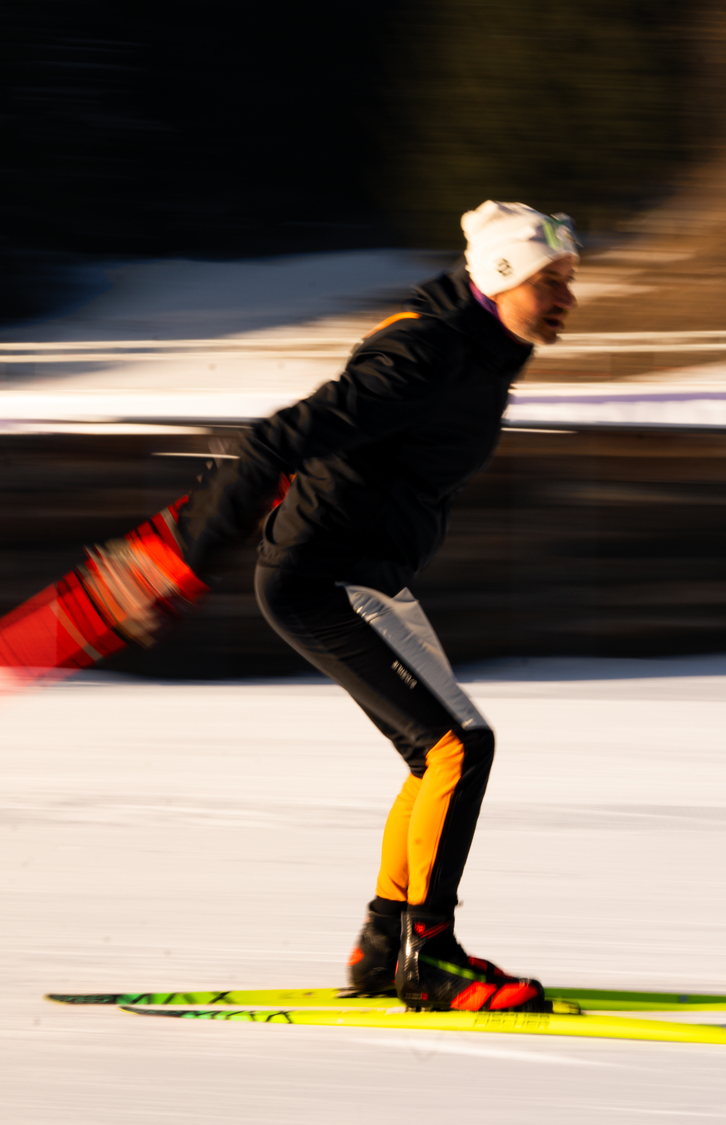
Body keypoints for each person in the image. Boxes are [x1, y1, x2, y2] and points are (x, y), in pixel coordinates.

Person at [161, 201, 579, 1013]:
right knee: (462, 745)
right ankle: (436, 958)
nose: (566, 296)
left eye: (569, 279)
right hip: (324, 575)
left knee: (438, 755)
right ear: (499, 276)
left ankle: (385, 945)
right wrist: (197, 541)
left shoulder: (486, 347)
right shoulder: (426, 350)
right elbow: (285, 436)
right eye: (549, 280)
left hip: (371, 576)